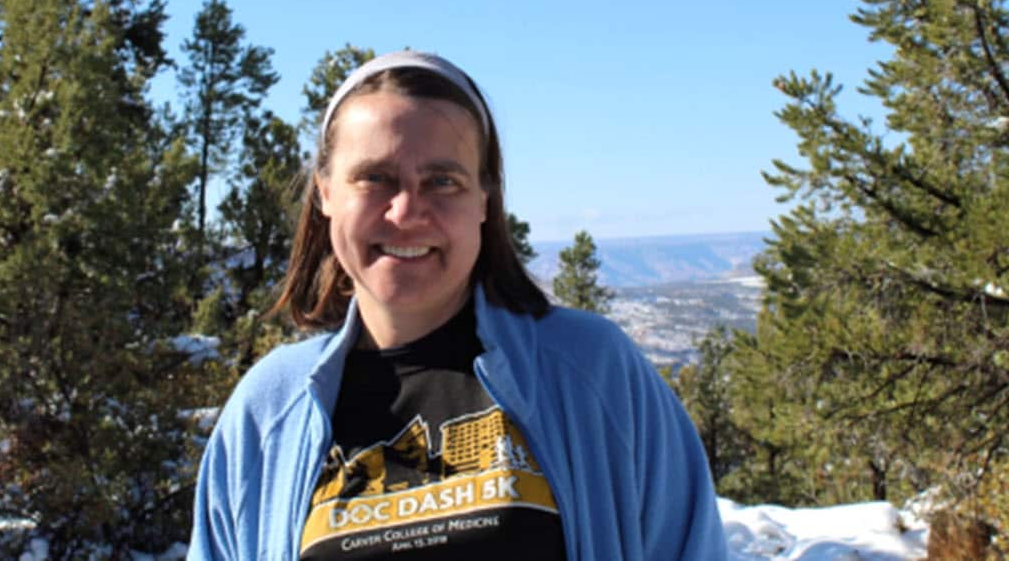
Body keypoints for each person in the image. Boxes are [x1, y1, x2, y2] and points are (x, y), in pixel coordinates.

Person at [188, 51, 727, 560]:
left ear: (484, 200)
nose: (406, 212)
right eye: (375, 178)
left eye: (442, 181)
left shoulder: (591, 373)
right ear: (326, 192)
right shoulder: (269, 410)